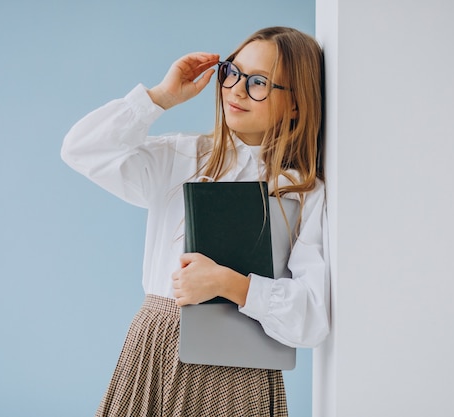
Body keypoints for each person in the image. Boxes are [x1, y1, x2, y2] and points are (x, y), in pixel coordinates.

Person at [61, 26, 330, 417]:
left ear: (295, 105)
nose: (237, 89)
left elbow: (312, 319)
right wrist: (159, 98)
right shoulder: (181, 157)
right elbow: (82, 149)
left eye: (259, 83)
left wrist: (232, 285)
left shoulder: (301, 191)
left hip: (244, 377)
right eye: (232, 72)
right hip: (157, 353)